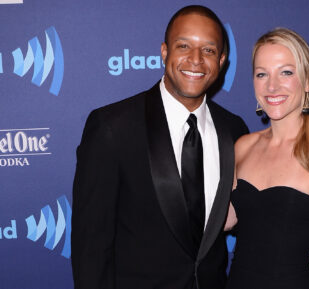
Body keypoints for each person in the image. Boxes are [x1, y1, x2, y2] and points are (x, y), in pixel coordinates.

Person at [71, 5, 248, 289]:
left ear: (223, 61)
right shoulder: (113, 128)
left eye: (209, 50)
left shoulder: (234, 129)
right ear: (164, 52)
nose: (195, 60)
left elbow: (254, 214)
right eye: (184, 46)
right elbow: (91, 244)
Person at [224, 28, 309, 289]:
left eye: (286, 72)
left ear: (307, 81)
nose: (272, 86)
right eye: (262, 74)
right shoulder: (243, 146)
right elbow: (223, 220)